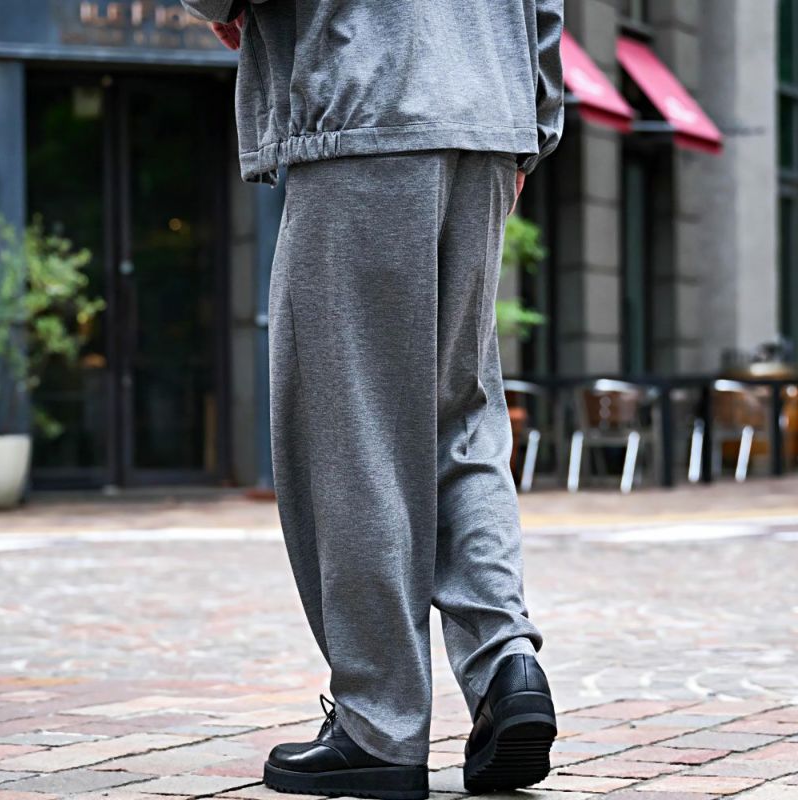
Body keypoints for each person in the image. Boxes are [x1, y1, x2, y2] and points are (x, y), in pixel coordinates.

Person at [180, 1, 565, 797]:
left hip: (366, 103)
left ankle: (377, 725)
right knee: (461, 416)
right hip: (489, 118)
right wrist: (531, 119)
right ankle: (506, 668)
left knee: (351, 428)